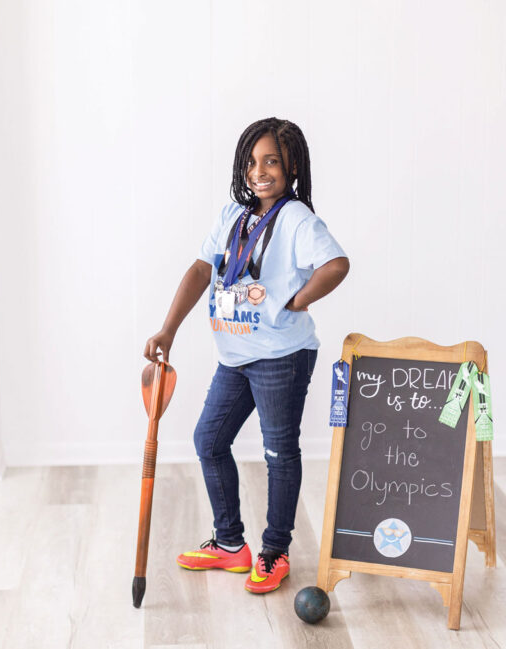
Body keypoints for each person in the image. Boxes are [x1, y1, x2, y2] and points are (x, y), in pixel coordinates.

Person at [144, 117, 349, 594]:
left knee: (279, 453)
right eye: (252, 162)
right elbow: (201, 268)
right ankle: (230, 545)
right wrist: (168, 329)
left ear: (291, 165)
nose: (260, 171)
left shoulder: (297, 219)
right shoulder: (232, 216)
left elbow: (336, 264)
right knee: (209, 441)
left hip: (282, 356)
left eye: (272, 161)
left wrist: (297, 300)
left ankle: (274, 552)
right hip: (235, 355)